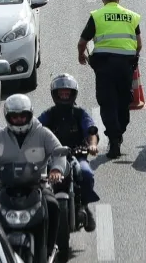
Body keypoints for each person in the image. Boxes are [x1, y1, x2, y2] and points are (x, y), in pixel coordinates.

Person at [0, 94, 66, 251]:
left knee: (53, 206)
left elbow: (58, 152)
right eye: (15, 117)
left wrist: (56, 170)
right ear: (8, 117)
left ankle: (50, 247)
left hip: (37, 186)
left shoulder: (43, 134)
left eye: (23, 116)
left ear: (30, 114)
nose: (19, 120)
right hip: (6, 188)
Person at [78, 0, 141, 158]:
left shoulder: (97, 15)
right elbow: (139, 44)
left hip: (104, 66)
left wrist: (81, 55)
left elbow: (82, 42)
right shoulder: (131, 16)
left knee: (107, 103)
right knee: (123, 102)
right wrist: (133, 58)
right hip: (125, 66)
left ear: (103, 0)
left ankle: (114, 138)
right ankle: (118, 133)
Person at [37, 73, 100, 230]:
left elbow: (91, 131)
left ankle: (84, 206)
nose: (64, 96)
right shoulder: (49, 114)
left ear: (73, 94)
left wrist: (92, 145)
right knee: (38, 178)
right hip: (52, 158)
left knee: (86, 173)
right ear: (55, 94)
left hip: (76, 156)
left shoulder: (80, 113)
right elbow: (35, 129)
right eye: (61, 93)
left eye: (67, 93)